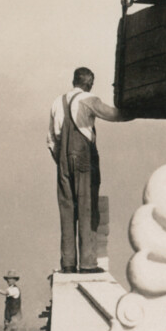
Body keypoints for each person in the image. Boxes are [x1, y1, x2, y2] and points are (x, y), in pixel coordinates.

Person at [46, 67, 131, 273]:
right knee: (87, 206)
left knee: (67, 209)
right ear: (89, 82)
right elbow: (113, 114)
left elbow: (51, 141)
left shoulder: (57, 102)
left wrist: (62, 162)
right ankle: (87, 263)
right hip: (83, 156)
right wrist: (137, 110)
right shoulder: (88, 99)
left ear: (73, 80)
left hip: (62, 159)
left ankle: (67, 264)